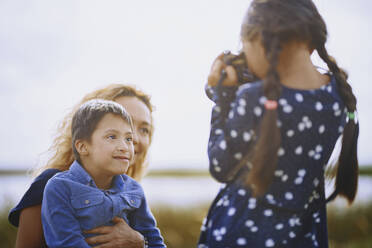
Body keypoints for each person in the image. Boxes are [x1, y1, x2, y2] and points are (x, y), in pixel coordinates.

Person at [198, 0, 359, 247]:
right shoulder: (338, 97)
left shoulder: (253, 97)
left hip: (240, 232)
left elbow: (221, 166)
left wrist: (224, 95)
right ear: (313, 40)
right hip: (304, 235)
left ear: (260, 42)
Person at [8, 84, 155, 248]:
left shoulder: (131, 191)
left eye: (144, 129)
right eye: (116, 129)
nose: (132, 137)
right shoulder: (52, 184)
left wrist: (141, 242)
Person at [41, 99, 165, 247]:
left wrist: (141, 243)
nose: (125, 147)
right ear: (83, 147)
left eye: (128, 138)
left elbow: (154, 242)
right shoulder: (60, 187)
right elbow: (68, 243)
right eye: (112, 137)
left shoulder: (133, 189)